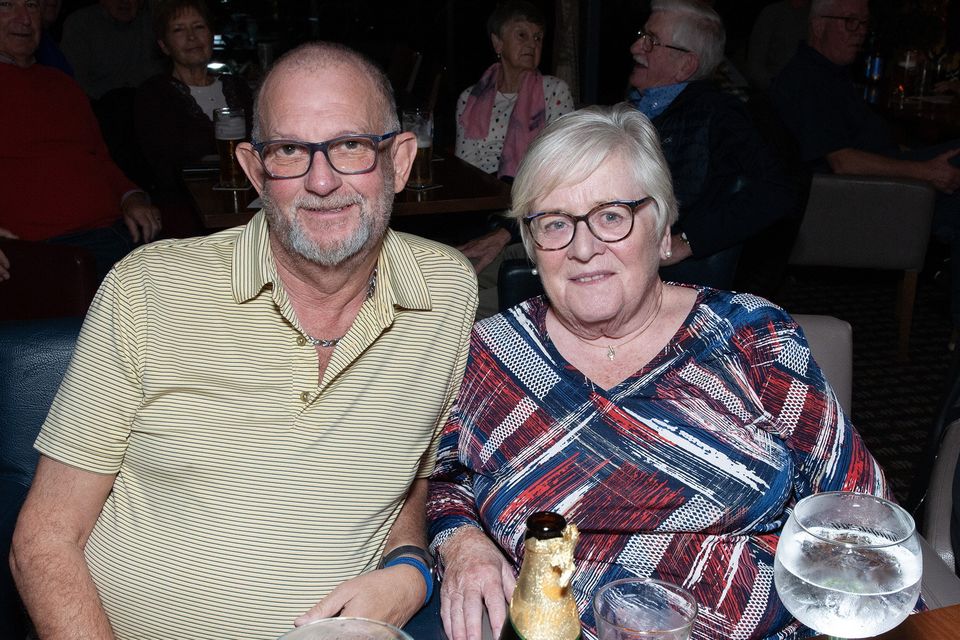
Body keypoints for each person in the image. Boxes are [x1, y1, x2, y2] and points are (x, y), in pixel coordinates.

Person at [10, 41, 479, 639]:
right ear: (254, 170)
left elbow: (413, 464)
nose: (322, 180)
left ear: (401, 160)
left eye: (351, 147)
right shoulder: (150, 290)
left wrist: (411, 563)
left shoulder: (445, 293)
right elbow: (44, 540)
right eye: (289, 150)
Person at [426, 104, 890, 640]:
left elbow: (863, 513)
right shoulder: (492, 354)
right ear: (532, 247)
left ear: (665, 231)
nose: (582, 247)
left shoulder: (751, 336)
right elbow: (437, 479)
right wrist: (462, 542)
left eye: (611, 216)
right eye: (555, 223)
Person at [770, 0, 960, 338]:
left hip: (874, 189)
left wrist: (912, 160)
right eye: (850, 22)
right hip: (852, 204)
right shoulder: (806, 80)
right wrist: (927, 172)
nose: (859, 33)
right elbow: (843, 162)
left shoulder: (831, 74)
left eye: (863, 24)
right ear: (818, 26)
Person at [628, 0, 798, 289]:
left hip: (667, 282)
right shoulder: (637, 108)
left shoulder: (717, 114)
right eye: (642, 36)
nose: (635, 48)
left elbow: (777, 190)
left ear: (686, 65)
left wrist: (689, 240)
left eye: (651, 41)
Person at [0, 0, 160, 281]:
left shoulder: (63, 85)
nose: (24, 19)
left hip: (116, 233)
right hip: (44, 251)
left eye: (32, 6)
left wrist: (132, 197)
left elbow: (100, 160)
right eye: (7, 6)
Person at [455, 0, 574, 299]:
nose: (532, 44)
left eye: (537, 37)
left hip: (528, 210)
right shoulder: (471, 98)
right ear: (498, 42)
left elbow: (558, 172)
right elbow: (462, 171)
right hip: (477, 212)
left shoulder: (553, 91)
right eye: (521, 35)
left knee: (465, 283)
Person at [134, 0, 253, 236]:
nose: (191, 37)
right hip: (187, 213)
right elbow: (165, 167)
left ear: (211, 35)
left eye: (198, 27)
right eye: (179, 30)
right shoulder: (154, 95)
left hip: (247, 205)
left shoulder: (236, 87)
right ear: (164, 45)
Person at [60, 0, 162, 100]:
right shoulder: (80, 25)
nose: (125, 1)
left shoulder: (153, 26)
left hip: (148, 106)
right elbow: (75, 84)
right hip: (97, 108)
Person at [746, 0, 810, 90]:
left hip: (803, 90)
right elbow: (755, 65)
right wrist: (775, 88)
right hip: (772, 88)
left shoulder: (814, 18)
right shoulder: (772, 13)